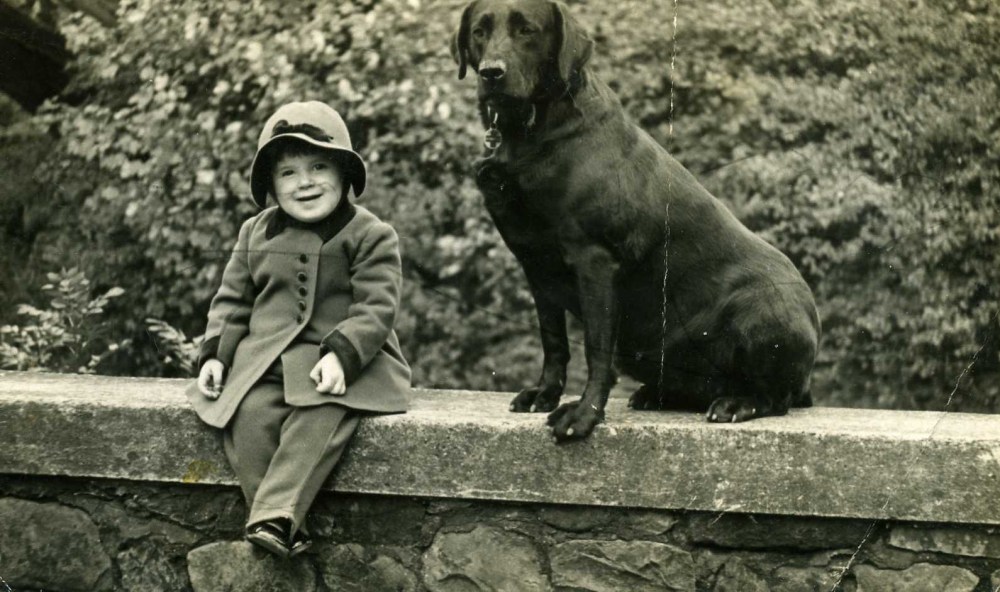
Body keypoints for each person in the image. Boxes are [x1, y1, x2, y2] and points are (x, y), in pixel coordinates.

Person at [186, 100, 410, 559]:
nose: (304, 182)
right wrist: (215, 354)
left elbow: (376, 306)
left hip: (343, 364)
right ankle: (285, 522)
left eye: (319, 166)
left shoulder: (370, 234)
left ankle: (275, 514)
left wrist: (343, 353)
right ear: (269, 183)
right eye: (287, 173)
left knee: (320, 413)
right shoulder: (255, 233)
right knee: (245, 417)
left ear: (346, 173)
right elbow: (232, 301)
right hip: (265, 361)